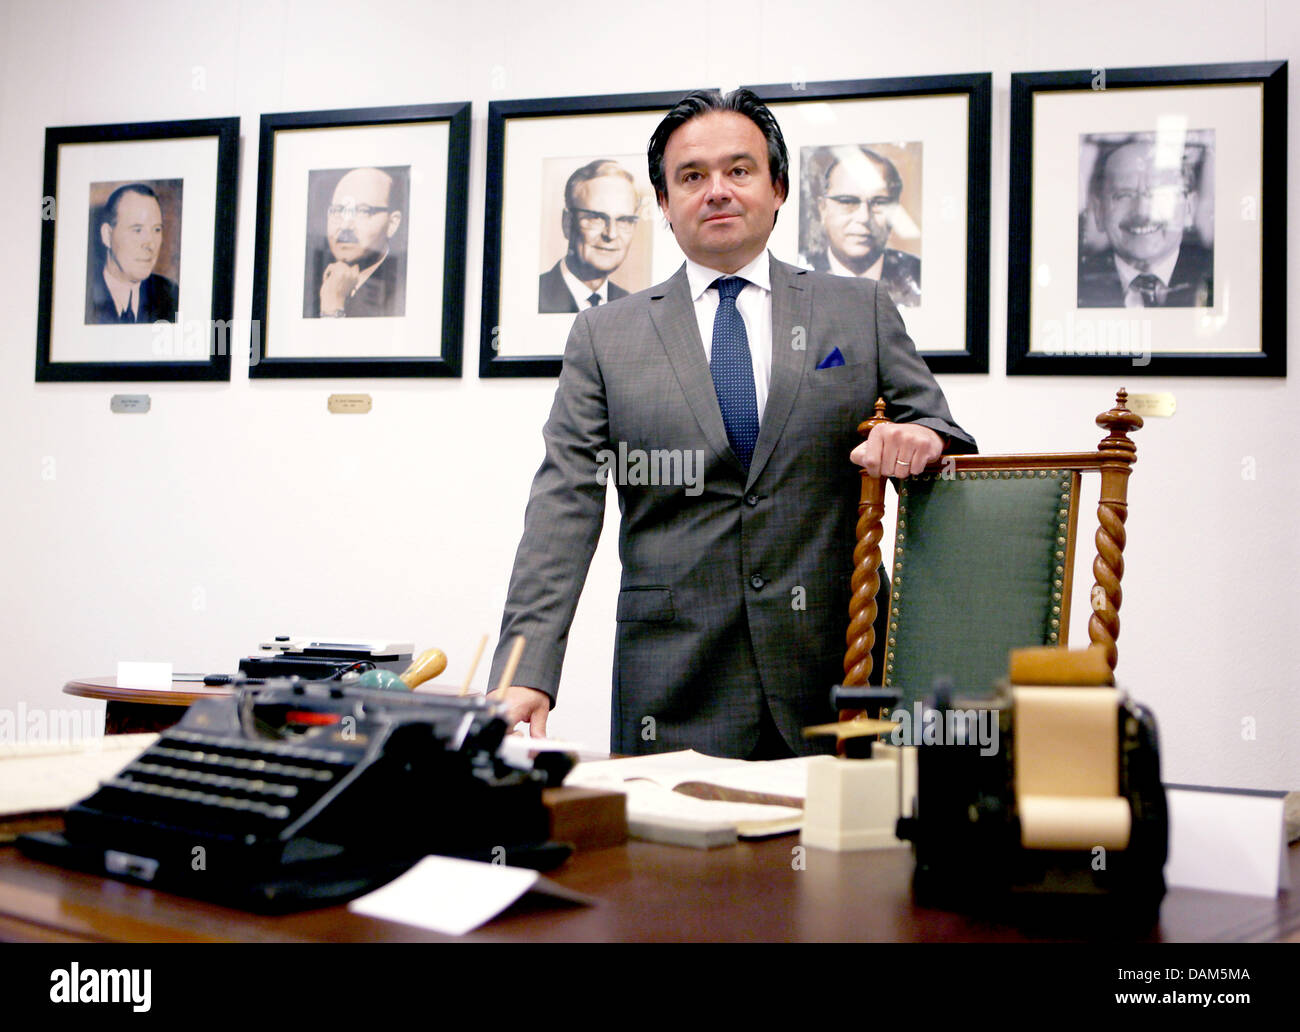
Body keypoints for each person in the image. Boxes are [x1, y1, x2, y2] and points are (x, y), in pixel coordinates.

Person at [490, 90, 975, 760]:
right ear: (663, 203)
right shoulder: (606, 334)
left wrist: (924, 439)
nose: (716, 191)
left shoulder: (856, 308)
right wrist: (525, 673)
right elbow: (562, 506)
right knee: (665, 866)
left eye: (739, 171)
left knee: (847, 864)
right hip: (673, 683)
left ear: (777, 188)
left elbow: (939, 430)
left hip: (839, 675)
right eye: (692, 177)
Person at [1078, 138, 1213, 308]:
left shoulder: (1217, 275)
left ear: (1188, 208)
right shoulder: (1075, 283)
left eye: (1159, 195)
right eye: (1124, 195)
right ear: (1099, 211)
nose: (1141, 211)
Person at [805, 146, 921, 308]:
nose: (864, 217)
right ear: (823, 209)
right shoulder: (798, 275)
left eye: (879, 202)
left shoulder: (918, 278)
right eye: (847, 201)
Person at [538, 160, 639, 313]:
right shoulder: (534, 296)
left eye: (623, 220)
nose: (611, 234)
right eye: (596, 218)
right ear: (567, 222)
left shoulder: (631, 305)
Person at [311, 167, 406, 318]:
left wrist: (333, 308)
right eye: (337, 211)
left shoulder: (404, 290)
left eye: (362, 211)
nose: (345, 226)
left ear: (392, 224)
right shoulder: (309, 283)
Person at [86, 184, 178, 324]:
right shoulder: (82, 295)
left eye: (157, 230)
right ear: (107, 236)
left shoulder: (170, 296)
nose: (150, 245)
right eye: (137, 230)